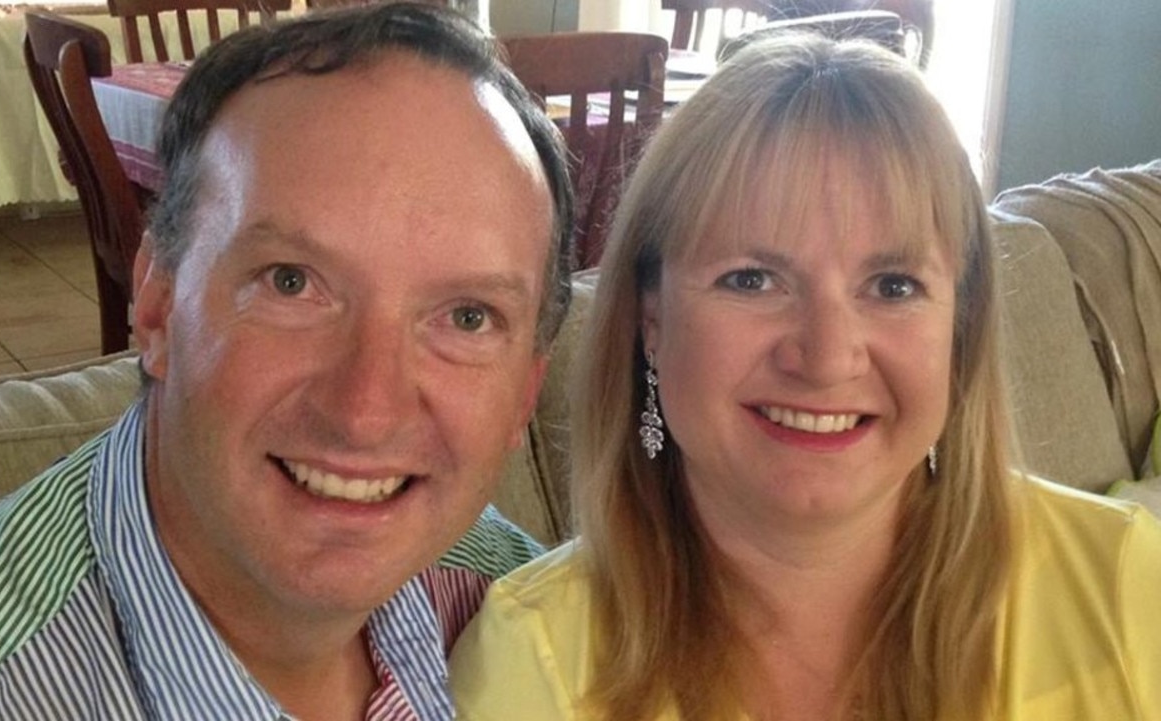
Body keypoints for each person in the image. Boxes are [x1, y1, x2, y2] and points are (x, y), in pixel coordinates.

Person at [0, 3, 575, 718]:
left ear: (526, 390)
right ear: (155, 304)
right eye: (290, 281)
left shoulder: (521, 607)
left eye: (467, 317)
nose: (366, 413)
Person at [450, 31, 1161, 721]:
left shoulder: (1127, 584)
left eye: (892, 286)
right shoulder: (532, 654)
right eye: (752, 278)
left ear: (961, 328)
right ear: (651, 318)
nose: (825, 356)